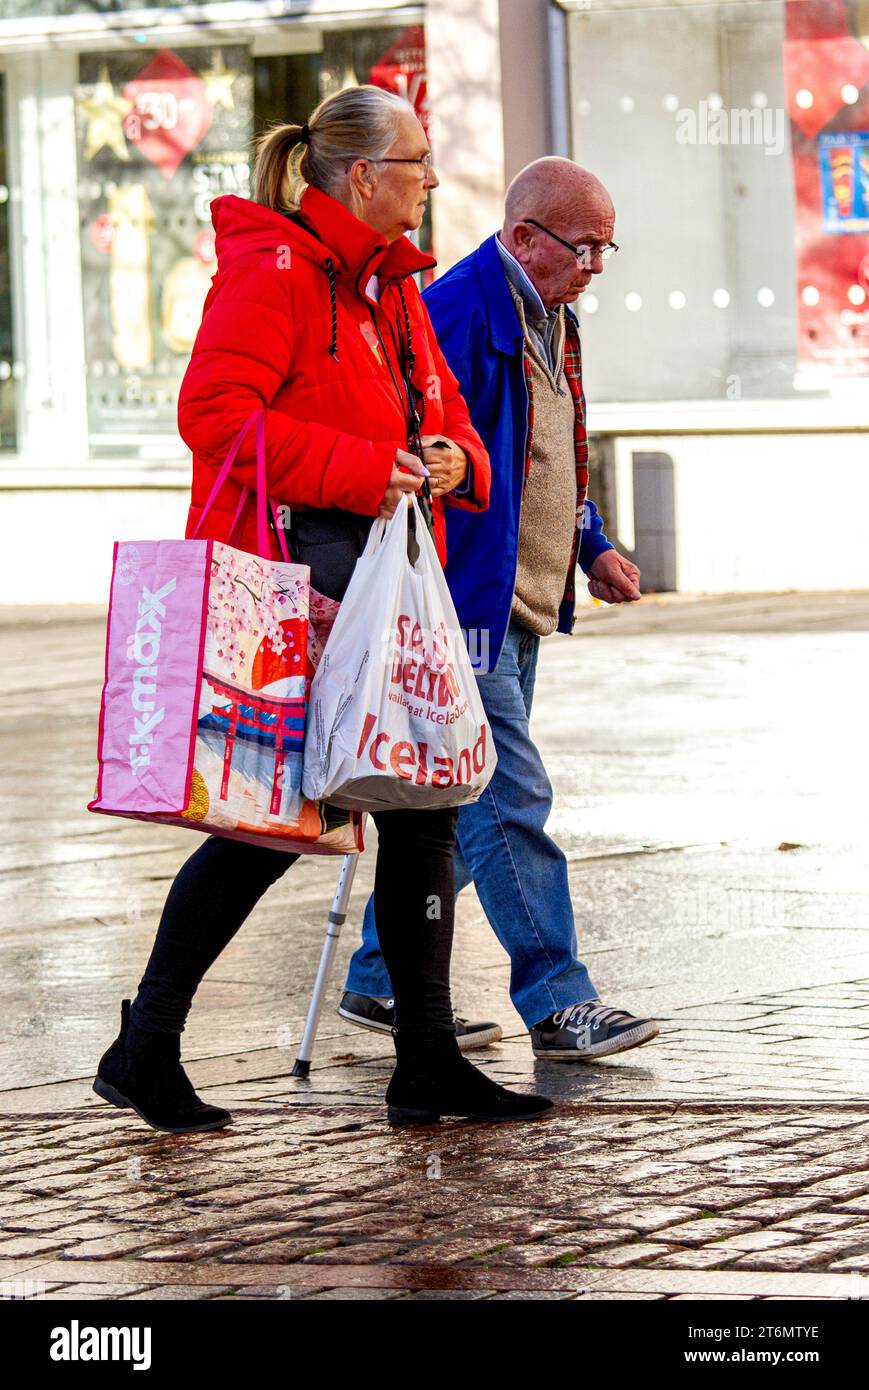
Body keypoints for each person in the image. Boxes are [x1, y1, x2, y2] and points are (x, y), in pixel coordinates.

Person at [92, 87, 553, 1133]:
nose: (431, 180)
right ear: (361, 175)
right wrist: (368, 468)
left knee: (418, 807)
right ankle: (147, 1040)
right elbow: (211, 413)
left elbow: (453, 429)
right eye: (417, 161)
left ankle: (422, 1056)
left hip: (384, 581)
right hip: (298, 582)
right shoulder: (275, 273)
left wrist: (449, 461)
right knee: (275, 820)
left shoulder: (389, 291)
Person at [340, 158, 661, 1062]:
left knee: (447, 805)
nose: (595, 265)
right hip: (462, 604)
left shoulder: (551, 315)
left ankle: (377, 979)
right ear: (525, 237)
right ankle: (558, 1000)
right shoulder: (459, 311)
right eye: (583, 246)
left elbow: (548, 452)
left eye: (605, 247)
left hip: (520, 601)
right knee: (504, 799)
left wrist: (589, 544)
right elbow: (427, 458)